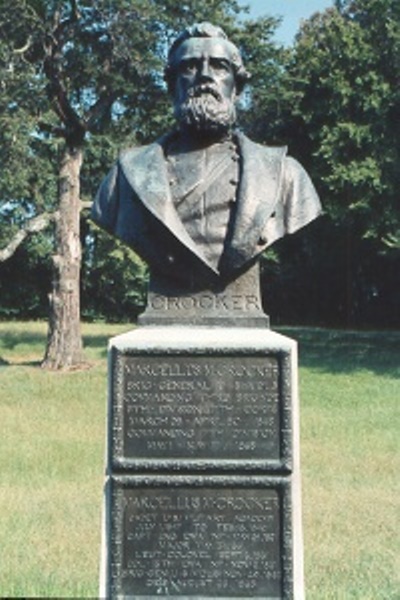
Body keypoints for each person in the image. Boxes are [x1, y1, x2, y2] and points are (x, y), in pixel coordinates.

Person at [92, 22, 322, 292]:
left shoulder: (285, 174)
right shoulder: (127, 176)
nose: (204, 76)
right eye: (189, 67)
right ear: (172, 86)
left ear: (236, 88)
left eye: (219, 66)